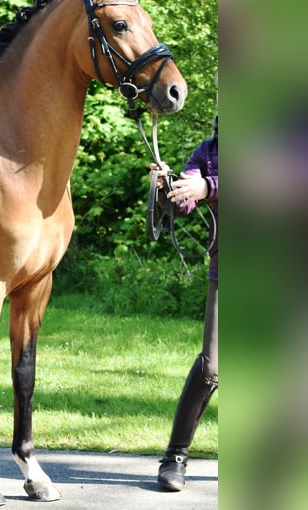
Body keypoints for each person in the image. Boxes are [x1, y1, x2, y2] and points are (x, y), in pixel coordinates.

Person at [149, 115, 218, 492]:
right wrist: (170, 190)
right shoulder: (206, 152)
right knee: (211, 368)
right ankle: (175, 456)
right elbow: (186, 206)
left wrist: (208, 187)